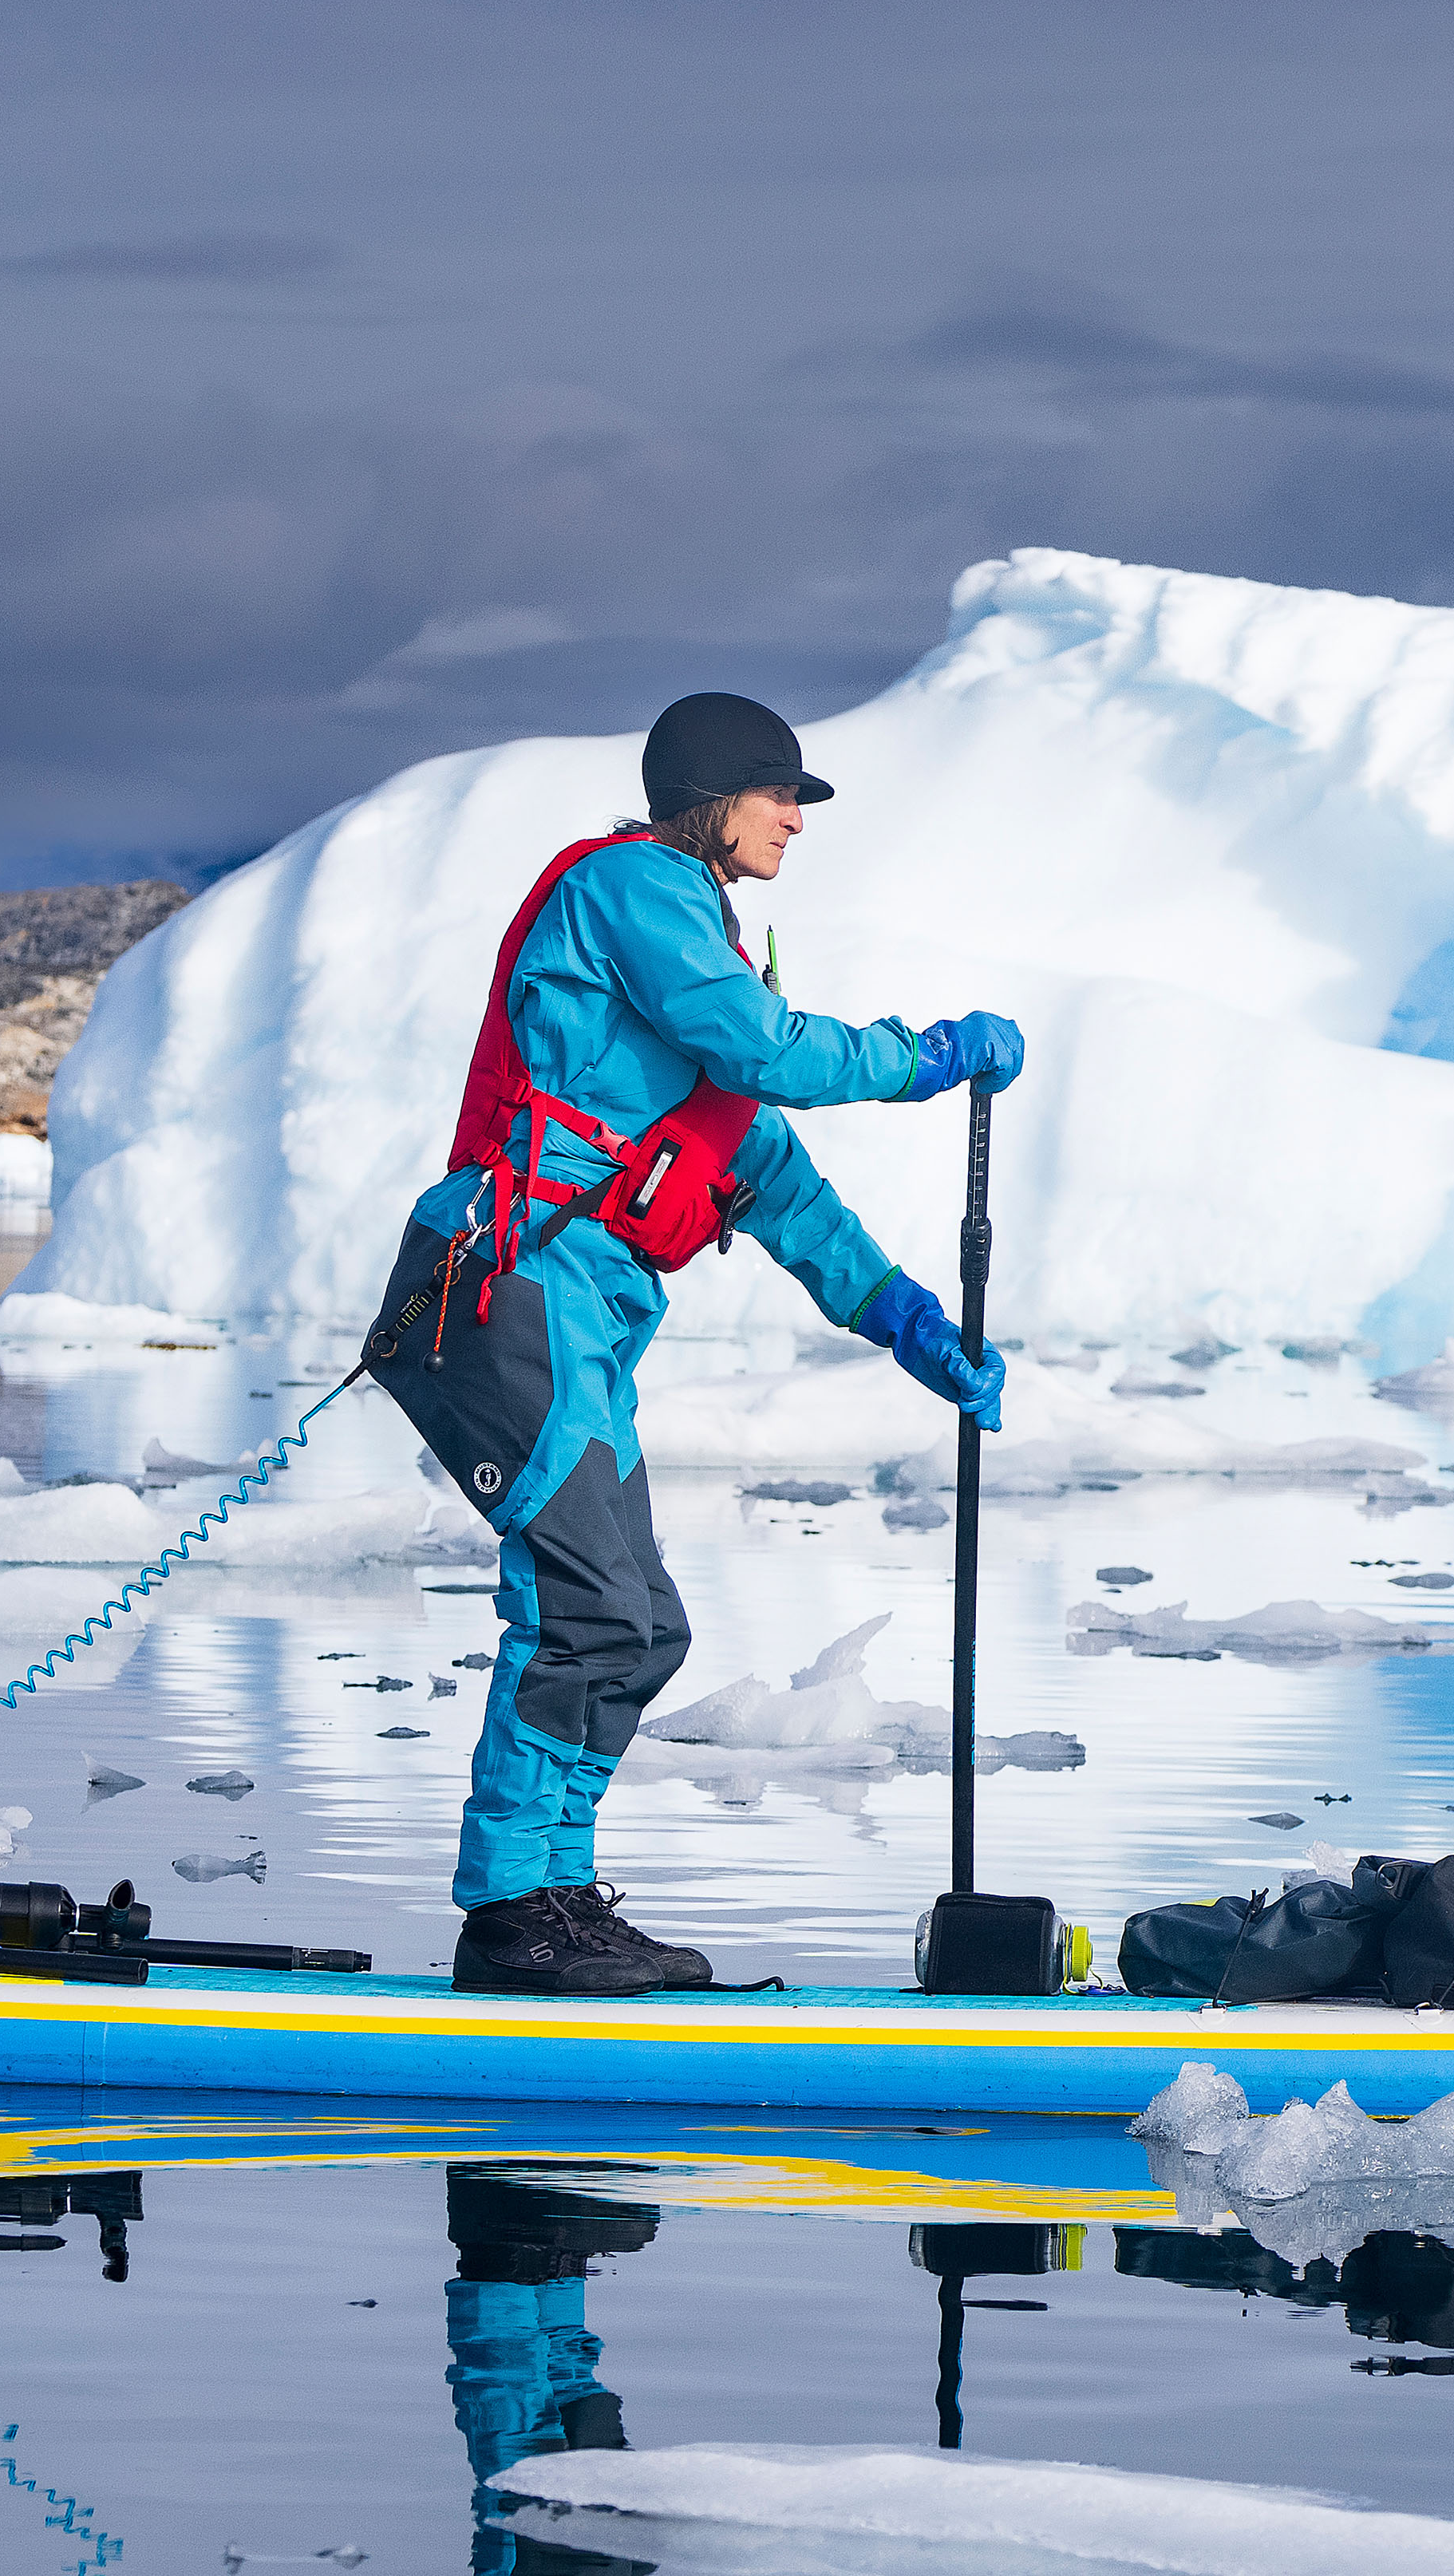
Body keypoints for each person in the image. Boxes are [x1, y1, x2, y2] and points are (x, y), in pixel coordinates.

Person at [365, 690, 1019, 1995]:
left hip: (576, 1325)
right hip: (505, 1294)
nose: (795, 817)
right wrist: (927, 1054)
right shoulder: (631, 890)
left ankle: (553, 1895)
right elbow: (766, 1047)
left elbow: (780, 1186)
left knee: (641, 1626)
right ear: (712, 799)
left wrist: (910, 1323)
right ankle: (510, 1914)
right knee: (589, 1609)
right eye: (780, 793)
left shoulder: (685, 1008)